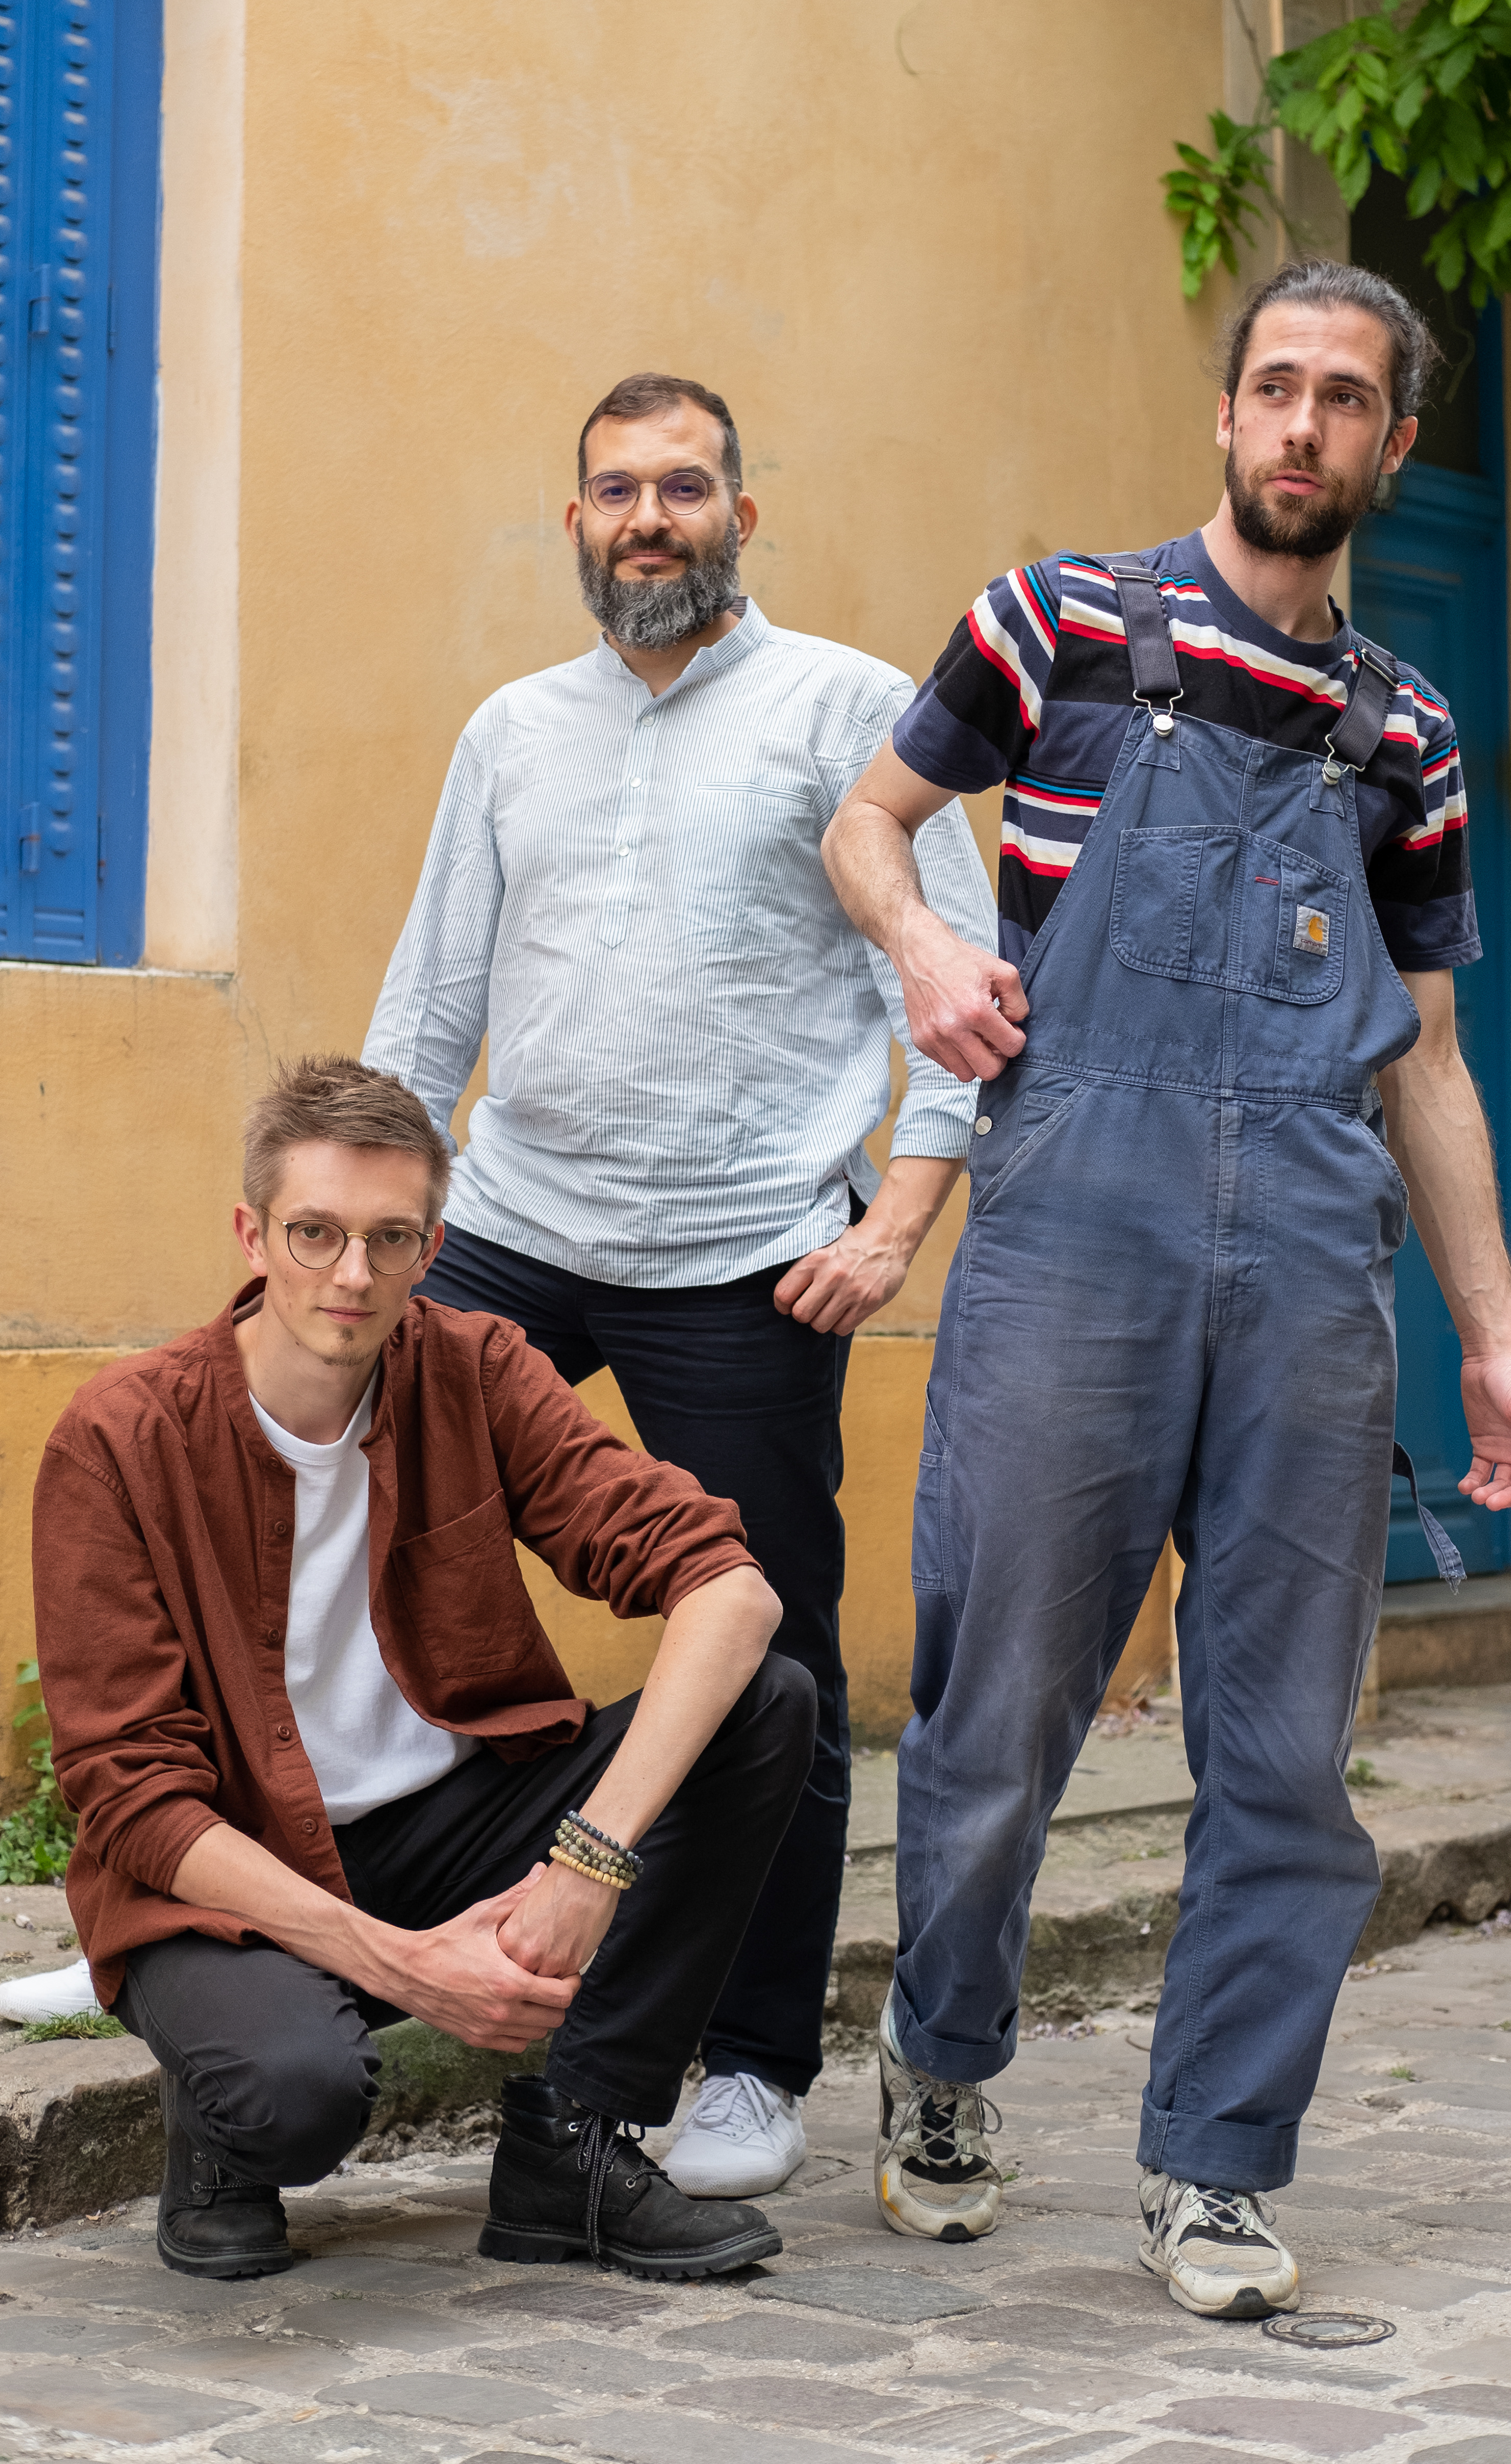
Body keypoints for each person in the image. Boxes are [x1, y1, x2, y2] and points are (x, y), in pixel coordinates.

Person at [821, 261, 1511, 2317]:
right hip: (1073, 1237)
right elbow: (871, 821)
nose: (1304, 424)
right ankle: (942, 2050)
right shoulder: (1057, 620)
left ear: (1393, 443)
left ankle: (1219, 2161)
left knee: (1285, 1748)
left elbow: (1427, 1053)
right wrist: (929, 950)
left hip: (1312, 1269)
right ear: (1227, 414)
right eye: (1276, 386)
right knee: (998, 1710)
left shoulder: (1406, 730)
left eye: (1346, 397)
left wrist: (1497, 1338)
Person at [362, 371, 996, 2198]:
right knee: (327, 1538)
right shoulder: (512, 730)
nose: (651, 517)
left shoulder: (848, 711)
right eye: (619, 490)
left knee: (771, 1656)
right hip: (509, 1229)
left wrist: (891, 1231)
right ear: (575, 519)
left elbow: (957, 990)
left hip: (748, 1261)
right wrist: (372, 1230)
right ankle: (227, 1919)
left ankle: (751, 2055)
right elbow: (432, 1003)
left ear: (742, 512)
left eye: (686, 487)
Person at [32, 1054, 817, 2283]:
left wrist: (590, 1862)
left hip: (448, 1829)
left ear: (430, 1248)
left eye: (389, 1240)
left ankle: (574, 2148)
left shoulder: (477, 1369)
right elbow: (132, 1795)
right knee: (295, 2102)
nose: (352, 1275)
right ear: (252, 1235)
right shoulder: (120, 1439)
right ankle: (219, 2129)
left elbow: (731, 1590)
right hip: (229, 1878)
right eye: (316, 1233)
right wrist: (402, 1967)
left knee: (769, 1704)